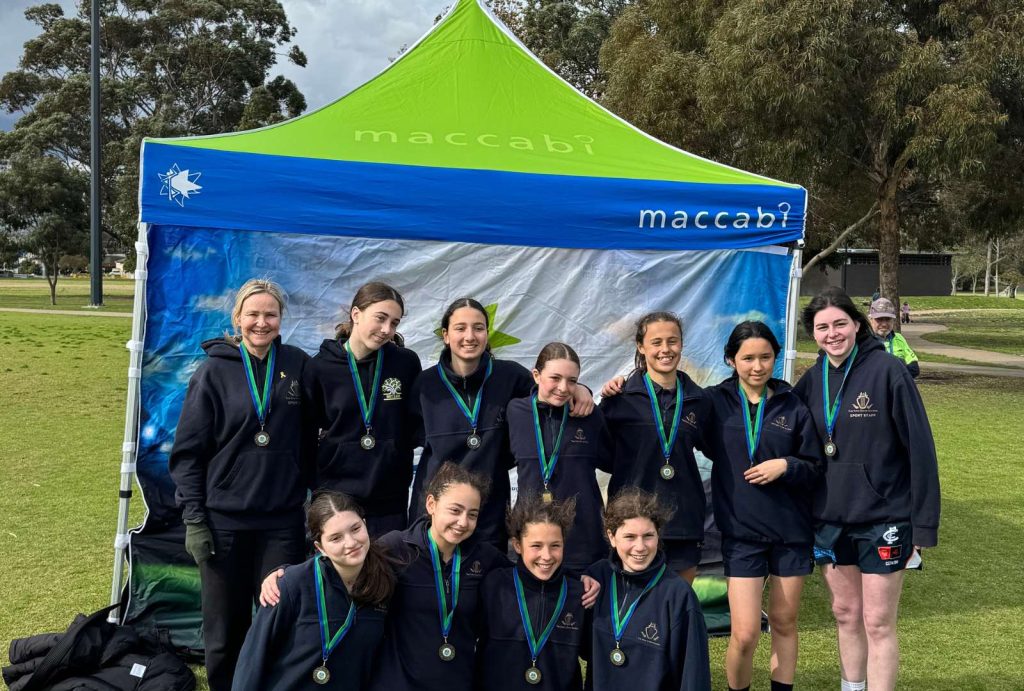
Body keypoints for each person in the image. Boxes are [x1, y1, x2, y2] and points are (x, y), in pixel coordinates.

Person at [168, 278, 316, 691]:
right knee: (224, 630)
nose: (261, 323)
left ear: (281, 319)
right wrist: (195, 520)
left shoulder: (298, 366)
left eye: (271, 314)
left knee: (280, 620)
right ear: (237, 318)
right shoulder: (213, 372)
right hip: (224, 525)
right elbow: (188, 455)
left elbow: (317, 432)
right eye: (253, 314)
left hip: (281, 523)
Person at [794, 287, 940, 691]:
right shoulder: (812, 380)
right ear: (813, 334)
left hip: (884, 519)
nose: (832, 334)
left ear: (858, 325)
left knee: (877, 621)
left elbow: (921, 450)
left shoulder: (889, 371)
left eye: (840, 323)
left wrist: (923, 524)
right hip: (829, 520)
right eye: (822, 327)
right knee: (845, 613)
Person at [409, 298, 594, 549]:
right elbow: (411, 437)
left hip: (489, 513)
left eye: (478, 328)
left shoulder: (511, 377)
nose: (470, 336)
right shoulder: (425, 385)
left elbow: (550, 391)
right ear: (446, 335)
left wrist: (581, 388)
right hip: (437, 511)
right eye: (460, 328)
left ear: (486, 333)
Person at [704, 321, 823, 691]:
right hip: (742, 534)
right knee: (745, 633)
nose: (758, 366)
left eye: (766, 357)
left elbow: (815, 466)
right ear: (731, 360)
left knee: (784, 622)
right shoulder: (713, 402)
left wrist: (786, 465)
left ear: (776, 357)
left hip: (791, 533)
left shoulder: (793, 404)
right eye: (748, 358)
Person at [233, 491, 396, 690]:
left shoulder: (386, 581)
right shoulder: (290, 585)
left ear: (365, 524)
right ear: (320, 547)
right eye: (336, 538)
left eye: (355, 529)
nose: (351, 542)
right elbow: (253, 659)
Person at [598, 312, 712, 582]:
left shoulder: (699, 399)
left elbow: (717, 448)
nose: (665, 349)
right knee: (632, 600)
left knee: (678, 600)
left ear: (681, 344)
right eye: (656, 342)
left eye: (672, 341)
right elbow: (602, 455)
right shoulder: (620, 398)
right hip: (631, 519)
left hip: (682, 519)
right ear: (641, 346)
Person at [308, 281, 422, 536]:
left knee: (387, 561)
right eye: (380, 318)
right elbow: (306, 434)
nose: (386, 329)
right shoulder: (319, 368)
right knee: (344, 562)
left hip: (389, 497)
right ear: (356, 314)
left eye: (394, 323)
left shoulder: (405, 363)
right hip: (335, 497)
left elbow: (415, 424)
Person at [585, 488, 711, 691]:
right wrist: (577, 583)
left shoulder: (678, 595)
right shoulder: (596, 578)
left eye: (648, 536)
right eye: (630, 537)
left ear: (658, 535)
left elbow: (694, 675)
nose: (640, 547)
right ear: (612, 537)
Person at [507, 342, 612, 574]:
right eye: (555, 378)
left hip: (583, 540)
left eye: (572, 380)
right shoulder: (515, 412)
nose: (563, 388)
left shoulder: (588, 414)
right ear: (536, 375)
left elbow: (613, 461)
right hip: (533, 540)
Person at [475, 494, 589, 690]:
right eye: (536, 546)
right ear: (517, 545)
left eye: (555, 546)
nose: (546, 556)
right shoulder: (494, 585)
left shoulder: (580, 594)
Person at [868, 298, 919, 379]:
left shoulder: (899, 338)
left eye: (888, 319)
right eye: (879, 319)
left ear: (893, 320)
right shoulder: (864, 341)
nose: (884, 324)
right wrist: (900, 364)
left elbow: (914, 369)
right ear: (870, 320)